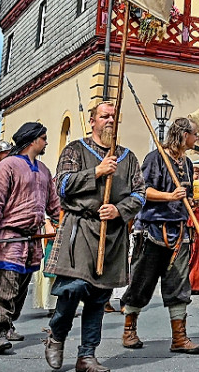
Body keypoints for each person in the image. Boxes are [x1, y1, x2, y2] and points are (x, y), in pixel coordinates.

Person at [43, 102, 146, 372]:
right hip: (80, 228)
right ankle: (56, 335)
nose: (110, 120)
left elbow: (139, 194)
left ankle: (86, 355)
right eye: (104, 116)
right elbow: (61, 185)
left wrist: (118, 209)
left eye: (113, 116)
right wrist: (97, 172)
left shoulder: (128, 157)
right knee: (73, 288)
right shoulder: (75, 150)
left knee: (99, 298)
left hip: (112, 234)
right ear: (92, 121)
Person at [120, 117, 199, 354]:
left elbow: (184, 194)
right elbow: (142, 191)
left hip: (178, 230)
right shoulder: (155, 158)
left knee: (179, 284)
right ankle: (129, 330)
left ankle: (179, 338)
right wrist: (170, 196)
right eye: (194, 134)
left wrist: (187, 199)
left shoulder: (187, 163)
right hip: (152, 231)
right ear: (183, 134)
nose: (197, 138)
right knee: (141, 282)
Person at [0, 123, 60, 354]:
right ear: (33, 140)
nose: (46, 142)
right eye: (43, 138)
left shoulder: (44, 170)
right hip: (9, 237)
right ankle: (0, 332)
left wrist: (62, 220)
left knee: (20, 287)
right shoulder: (7, 166)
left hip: (32, 238)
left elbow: (53, 203)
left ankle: (9, 322)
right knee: (4, 286)